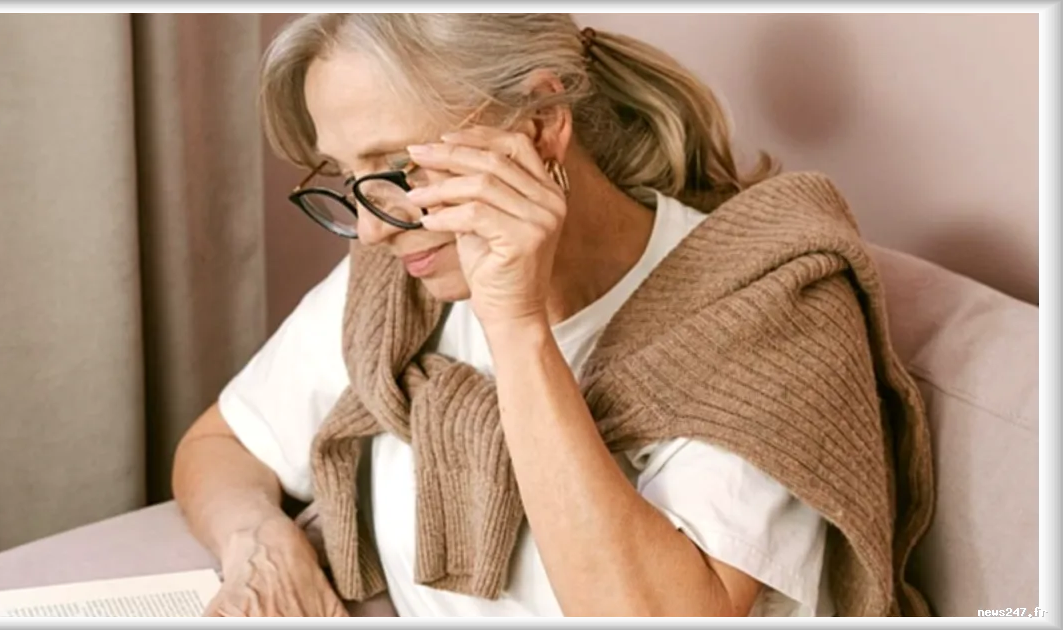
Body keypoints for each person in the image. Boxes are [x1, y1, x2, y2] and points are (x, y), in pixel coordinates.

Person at [172, 13, 935, 617]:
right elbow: (218, 445)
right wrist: (258, 542)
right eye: (347, 177)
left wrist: (518, 326)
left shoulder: (766, 308)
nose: (372, 228)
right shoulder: (401, 279)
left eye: (399, 168)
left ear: (538, 125)